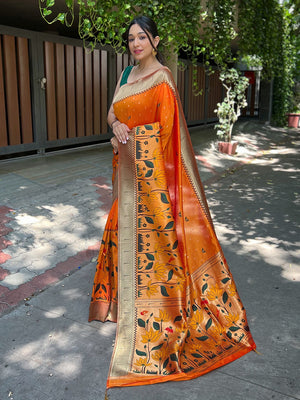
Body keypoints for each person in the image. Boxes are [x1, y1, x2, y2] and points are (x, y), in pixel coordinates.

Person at [89, 15, 256, 391]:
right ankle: (118, 305)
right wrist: (114, 126)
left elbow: (167, 137)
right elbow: (112, 112)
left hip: (150, 180)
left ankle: (163, 311)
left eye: (142, 37)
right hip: (124, 175)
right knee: (118, 229)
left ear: (156, 40)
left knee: (158, 247)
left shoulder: (163, 79)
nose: (135, 43)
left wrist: (153, 179)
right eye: (130, 38)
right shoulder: (124, 76)